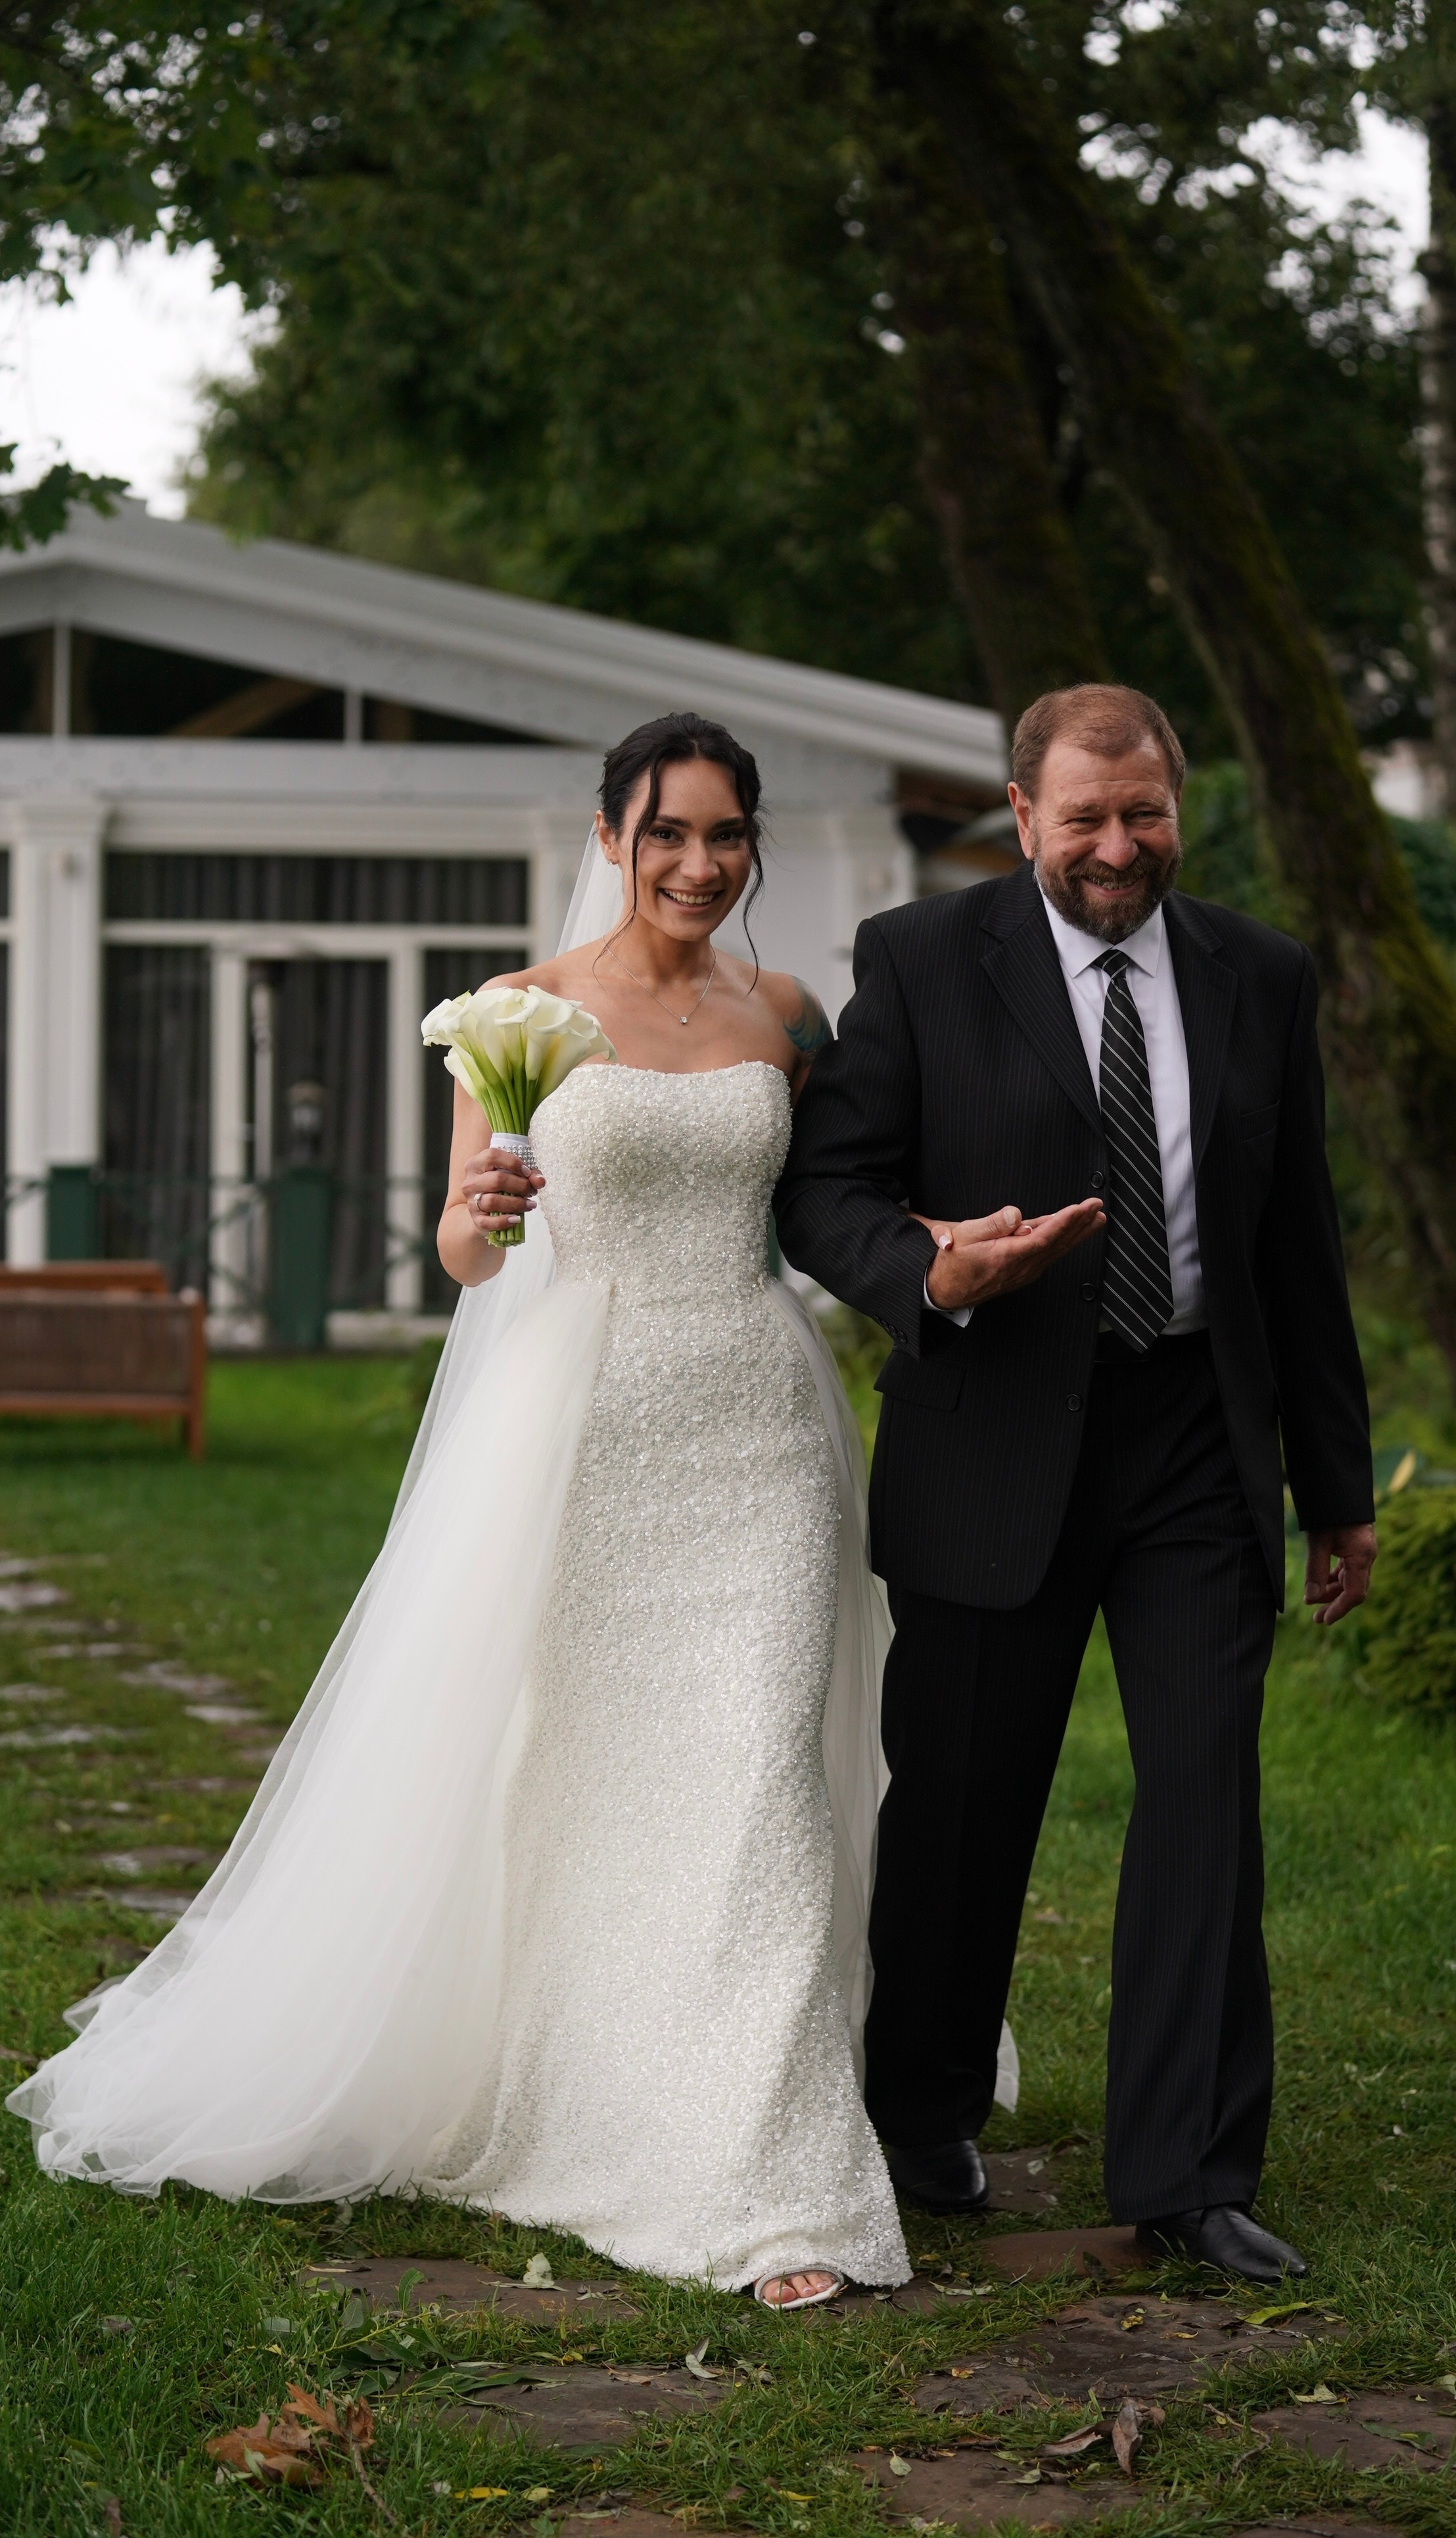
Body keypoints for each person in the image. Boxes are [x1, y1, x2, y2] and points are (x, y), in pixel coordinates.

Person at [11, 711, 945, 2307]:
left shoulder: (786, 1015)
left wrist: (945, 1246)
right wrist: (478, 1208)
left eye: (726, 836)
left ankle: (768, 2172)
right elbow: (462, 1255)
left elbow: (833, 1202)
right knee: (588, 1774)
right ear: (609, 838)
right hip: (587, 1424)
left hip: (763, 1430)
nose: (698, 865)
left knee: (759, 1774)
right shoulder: (519, 1016)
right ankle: (594, 2085)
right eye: (667, 834)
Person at [775, 682, 1375, 2285]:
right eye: (1085, 818)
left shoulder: (1261, 974)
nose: (1119, 847)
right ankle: (918, 2114)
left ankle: (1184, 2172)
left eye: (1146, 813)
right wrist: (932, 1272)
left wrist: (1336, 1484)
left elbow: (1295, 1249)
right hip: (993, 1429)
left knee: (1202, 1799)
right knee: (965, 1803)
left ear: (1178, 805)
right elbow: (825, 1194)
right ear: (1023, 814)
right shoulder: (917, 959)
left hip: (1193, 1436)